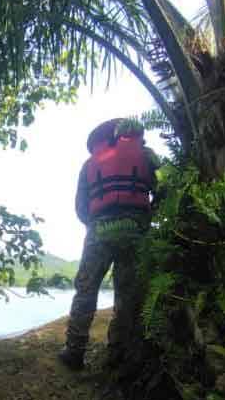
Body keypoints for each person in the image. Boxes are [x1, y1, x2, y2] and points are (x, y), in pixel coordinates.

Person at [57, 117, 162, 371]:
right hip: (136, 230)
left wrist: (95, 223)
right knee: (126, 293)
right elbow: (165, 188)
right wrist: (149, 214)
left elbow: (81, 207)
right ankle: (117, 354)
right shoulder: (147, 156)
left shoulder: (90, 163)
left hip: (99, 230)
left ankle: (74, 352)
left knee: (86, 289)